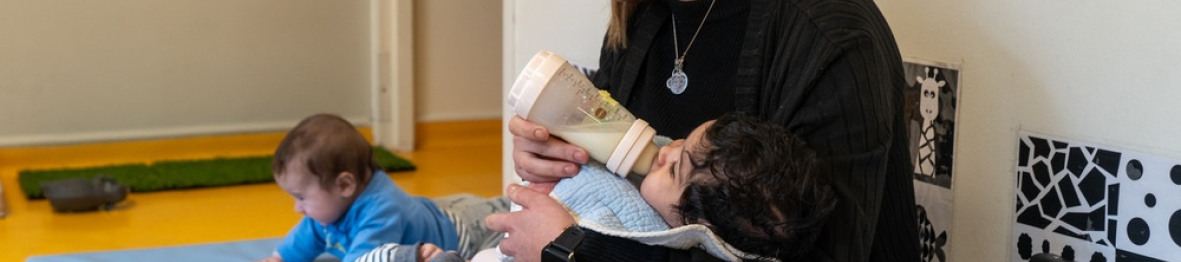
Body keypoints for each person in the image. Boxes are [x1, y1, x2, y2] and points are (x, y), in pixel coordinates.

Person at [489, 0, 920, 261]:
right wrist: (556, 153)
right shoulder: (642, 18)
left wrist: (574, 250)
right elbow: (611, 166)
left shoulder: (830, 37)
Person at [364, 113, 837, 262]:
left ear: (698, 227)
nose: (667, 151)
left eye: (677, 169)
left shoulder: (642, 236)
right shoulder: (658, 195)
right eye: (683, 143)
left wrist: (564, 243)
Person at [262, 114, 507, 262]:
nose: (298, 208)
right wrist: (280, 257)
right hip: (429, 210)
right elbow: (307, 236)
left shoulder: (380, 212)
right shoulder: (329, 209)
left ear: (345, 185)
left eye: (301, 197)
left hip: (463, 231)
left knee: (504, 218)